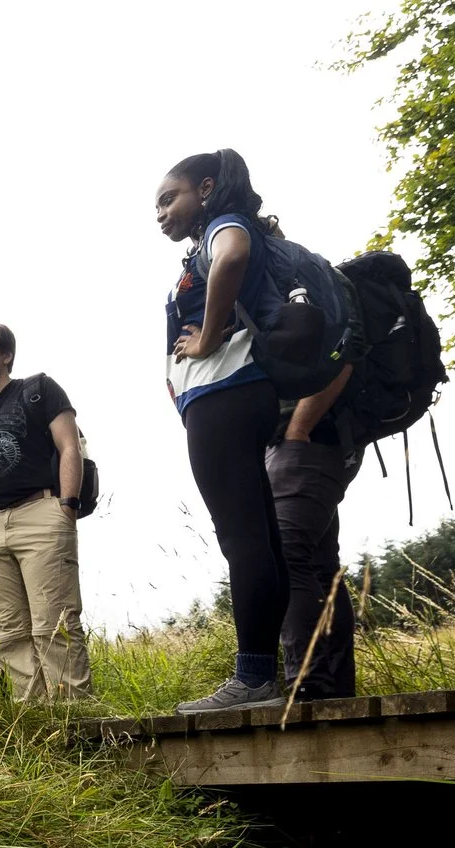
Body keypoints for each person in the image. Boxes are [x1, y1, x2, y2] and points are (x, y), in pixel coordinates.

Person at [157, 151, 294, 712]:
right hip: (237, 394)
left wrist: (209, 338)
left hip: (226, 391)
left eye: (170, 198)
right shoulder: (211, 236)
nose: (160, 213)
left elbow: (233, 256)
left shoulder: (224, 227)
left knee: (242, 539)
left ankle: (255, 677)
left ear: (207, 189)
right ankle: (268, 673)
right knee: (260, 537)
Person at [0, 323, 91, 701]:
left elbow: (69, 447)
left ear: (6, 354)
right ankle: (33, 717)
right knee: (3, 630)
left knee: (55, 623)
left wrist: (67, 506)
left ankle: (72, 716)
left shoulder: (38, 390)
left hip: (40, 513)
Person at [271, 356, 364, 699]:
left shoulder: (303, 299)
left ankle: (308, 682)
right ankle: (332, 687)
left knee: (286, 555)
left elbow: (345, 350)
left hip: (308, 436)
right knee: (321, 567)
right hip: (316, 437)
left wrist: (299, 427)